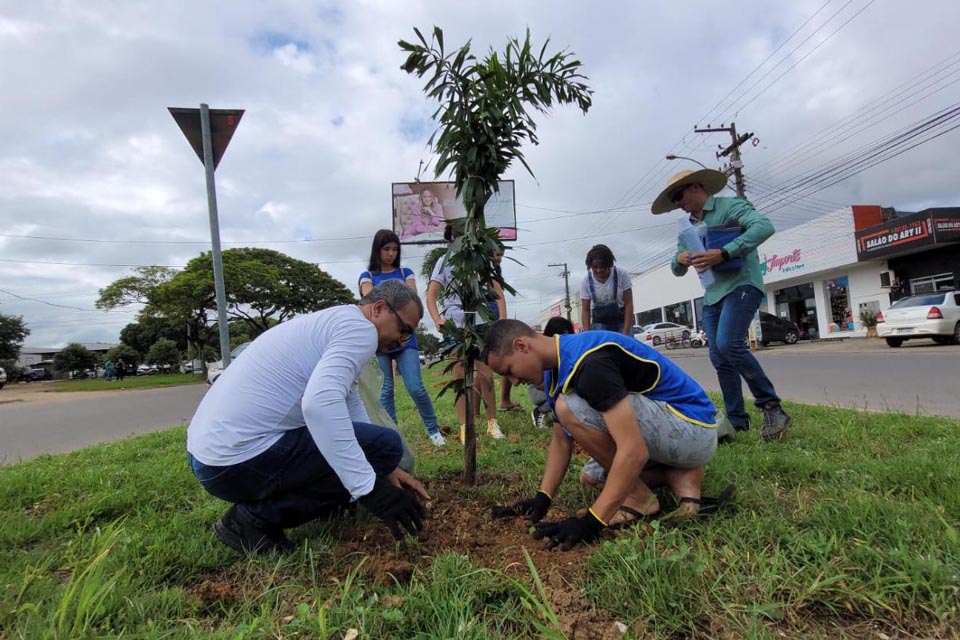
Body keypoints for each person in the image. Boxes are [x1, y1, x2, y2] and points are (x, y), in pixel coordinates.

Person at [186, 280, 431, 553]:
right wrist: (369, 489)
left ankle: (315, 503)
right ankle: (251, 521)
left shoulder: (337, 321)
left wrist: (382, 468)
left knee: (380, 449)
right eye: (403, 329)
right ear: (379, 308)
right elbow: (320, 404)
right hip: (234, 463)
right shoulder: (360, 331)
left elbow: (350, 405)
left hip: (210, 458)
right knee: (384, 446)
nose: (401, 340)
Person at [484, 320, 731, 550]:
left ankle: (640, 499)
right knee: (590, 477)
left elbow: (633, 450)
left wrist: (591, 522)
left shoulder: (589, 363)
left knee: (568, 406)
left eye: (509, 371)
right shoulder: (554, 368)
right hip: (670, 431)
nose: (513, 382)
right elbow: (561, 439)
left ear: (521, 345)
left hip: (694, 429)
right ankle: (675, 473)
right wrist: (542, 498)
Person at [653, 168, 791, 442]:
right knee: (719, 356)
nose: (678, 203)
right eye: (673, 200)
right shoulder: (686, 228)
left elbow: (764, 226)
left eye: (679, 195)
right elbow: (676, 268)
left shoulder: (731, 206)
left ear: (696, 187)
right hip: (713, 295)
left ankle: (772, 407)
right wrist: (678, 259)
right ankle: (737, 421)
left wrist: (725, 252)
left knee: (729, 343)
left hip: (742, 284)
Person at [359, 230, 445, 446]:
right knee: (386, 388)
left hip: (406, 338)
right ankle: (392, 433)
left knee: (415, 386)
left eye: (395, 249)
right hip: (380, 339)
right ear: (377, 250)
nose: (391, 253)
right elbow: (369, 299)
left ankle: (433, 431)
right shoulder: (366, 276)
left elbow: (412, 298)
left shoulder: (407, 272)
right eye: (386, 249)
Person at [426, 223, 504, 441]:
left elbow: (497, 290)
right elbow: (431, 294)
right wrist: (437, 319)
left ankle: (492, 423)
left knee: (486, 373)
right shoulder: (444, 262)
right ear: (450, 238)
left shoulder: (480, 260)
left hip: (480, 321)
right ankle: (464, 427)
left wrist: (502, 319)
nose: (461, 238)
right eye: (456, 235)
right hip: (455, 324)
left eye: (465, 234)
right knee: (459, 376)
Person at [491, 249, 522, 412]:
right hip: (486, 317)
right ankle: (475, 411)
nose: (499, 258)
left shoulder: (496, 270)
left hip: (497, 317)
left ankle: (504, 400)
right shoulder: (483, 268)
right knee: (481, 366)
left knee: (506, 357)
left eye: (501, 254)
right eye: (496, 253)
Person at [579, 245, 634, 335]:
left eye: (602, 267)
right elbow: (585, 310)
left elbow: (628, 304)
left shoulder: (622, 274)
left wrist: (626, 331)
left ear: (609, 264)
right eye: (595, 267)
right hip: (599, 323)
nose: (599, 270)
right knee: (601, 348)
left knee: (627, 346)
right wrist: (587, 334)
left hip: (622, 321)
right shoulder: (586, 281)